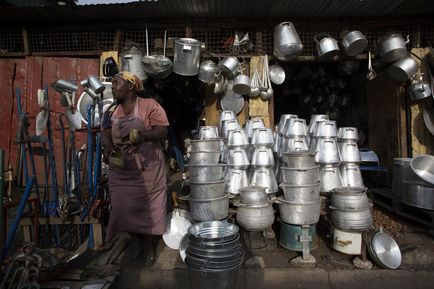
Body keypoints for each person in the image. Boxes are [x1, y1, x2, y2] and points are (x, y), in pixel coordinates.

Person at [101, 71, 169, 266]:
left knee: (150, 209)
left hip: (147, 168)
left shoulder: (150, 106)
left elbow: (162, 131)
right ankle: (136, 241)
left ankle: (149, 246)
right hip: (121, 170)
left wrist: (143, 136)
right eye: (112, 83)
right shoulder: (111, 110)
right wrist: (106, 145)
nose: (112, 86)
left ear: (131, 86)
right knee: (123, 208)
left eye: (116, 83)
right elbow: (104, 133)